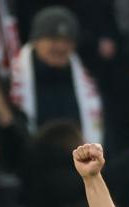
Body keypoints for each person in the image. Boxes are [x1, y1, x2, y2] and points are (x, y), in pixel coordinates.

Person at [9, 6, 103, 144]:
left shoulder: (87, 83)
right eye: (53, 39)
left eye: (67, 41)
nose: (61, 47)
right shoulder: (11, 79)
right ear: (36, 41)